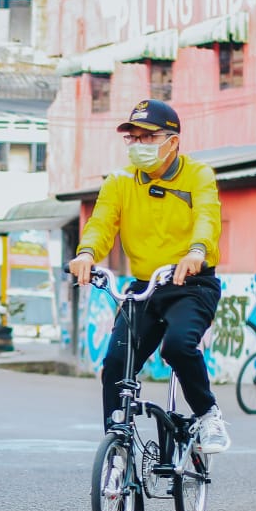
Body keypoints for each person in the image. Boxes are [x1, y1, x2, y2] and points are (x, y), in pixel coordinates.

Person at [67, 99, 229, 453]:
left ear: (173, 141)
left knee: (178, 346)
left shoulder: (198, 175)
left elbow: (207, 217)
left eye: (148, 137)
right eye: (133, 138)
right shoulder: (120, 181)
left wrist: (197, 251)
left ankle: (208, 415)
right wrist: (86, 253)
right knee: (116, 362)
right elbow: (101, 223)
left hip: (191, 284)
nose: (139, 145)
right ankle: (117, 445)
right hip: (145, 287)